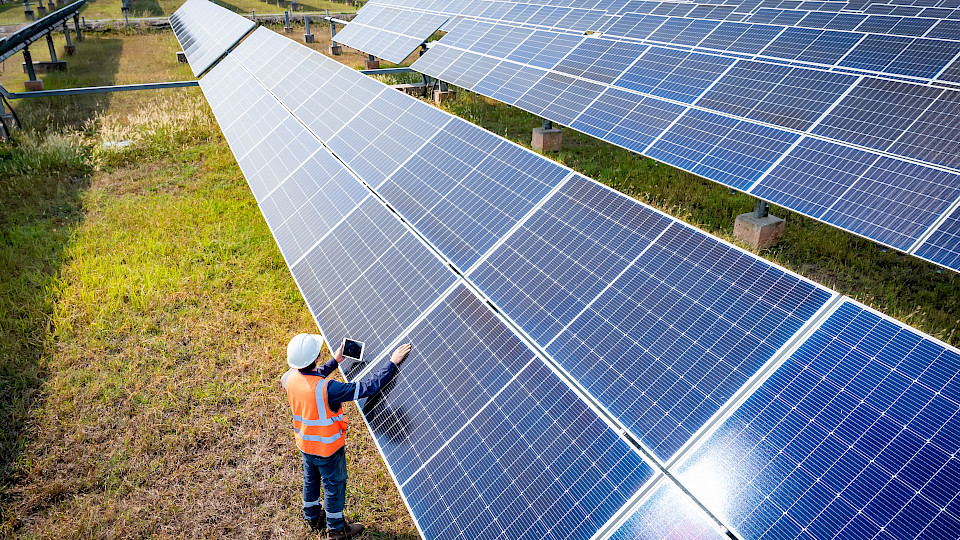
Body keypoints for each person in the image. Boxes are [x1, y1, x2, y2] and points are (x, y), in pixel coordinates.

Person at [281, 333, 411, 540]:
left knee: (311, 480)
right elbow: (368, 387)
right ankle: (336, 530)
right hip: (328, 450)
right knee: (334, 487)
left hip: (304, 444)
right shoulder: (328, 389)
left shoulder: (287, 378)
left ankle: (312, 515)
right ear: (316, 358)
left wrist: (336, 360)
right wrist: (392, 363)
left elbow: (309, 378)